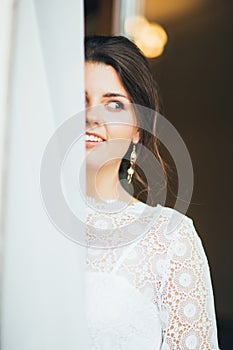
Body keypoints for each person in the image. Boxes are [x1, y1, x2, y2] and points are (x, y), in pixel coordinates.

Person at [84, 35, 220, 349]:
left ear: (137, 129)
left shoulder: (170, 238)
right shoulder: (17, 224)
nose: (92, 116)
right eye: (80, 100)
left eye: (114, 104)